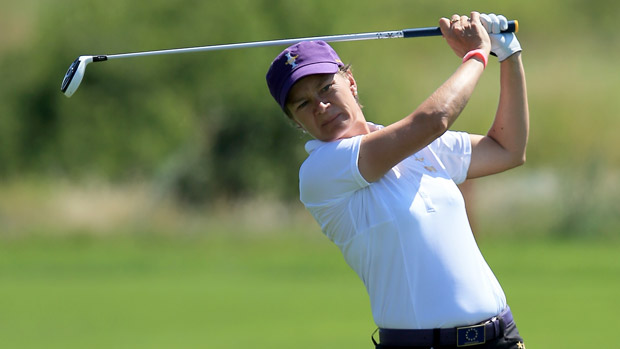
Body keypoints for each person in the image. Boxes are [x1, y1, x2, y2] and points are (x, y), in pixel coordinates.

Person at [266, 11, 528, 349]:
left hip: (502, 339)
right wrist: (477, 54)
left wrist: (508, 56)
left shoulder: (419, 148)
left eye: (326, 87)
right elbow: (435, 119)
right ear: (297, 122)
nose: (321, 105)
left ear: (351, 82)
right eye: (303, 103)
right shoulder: (321, 172)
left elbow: (508, 149)